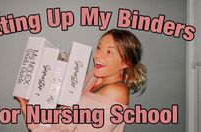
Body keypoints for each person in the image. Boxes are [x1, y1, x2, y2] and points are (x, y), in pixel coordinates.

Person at [16, 29, 147, 132]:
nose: (97, 56)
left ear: (126, 62)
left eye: (109, 52)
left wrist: (33, 121)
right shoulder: (95, 76)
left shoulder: (116, 93)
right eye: (99, 48)